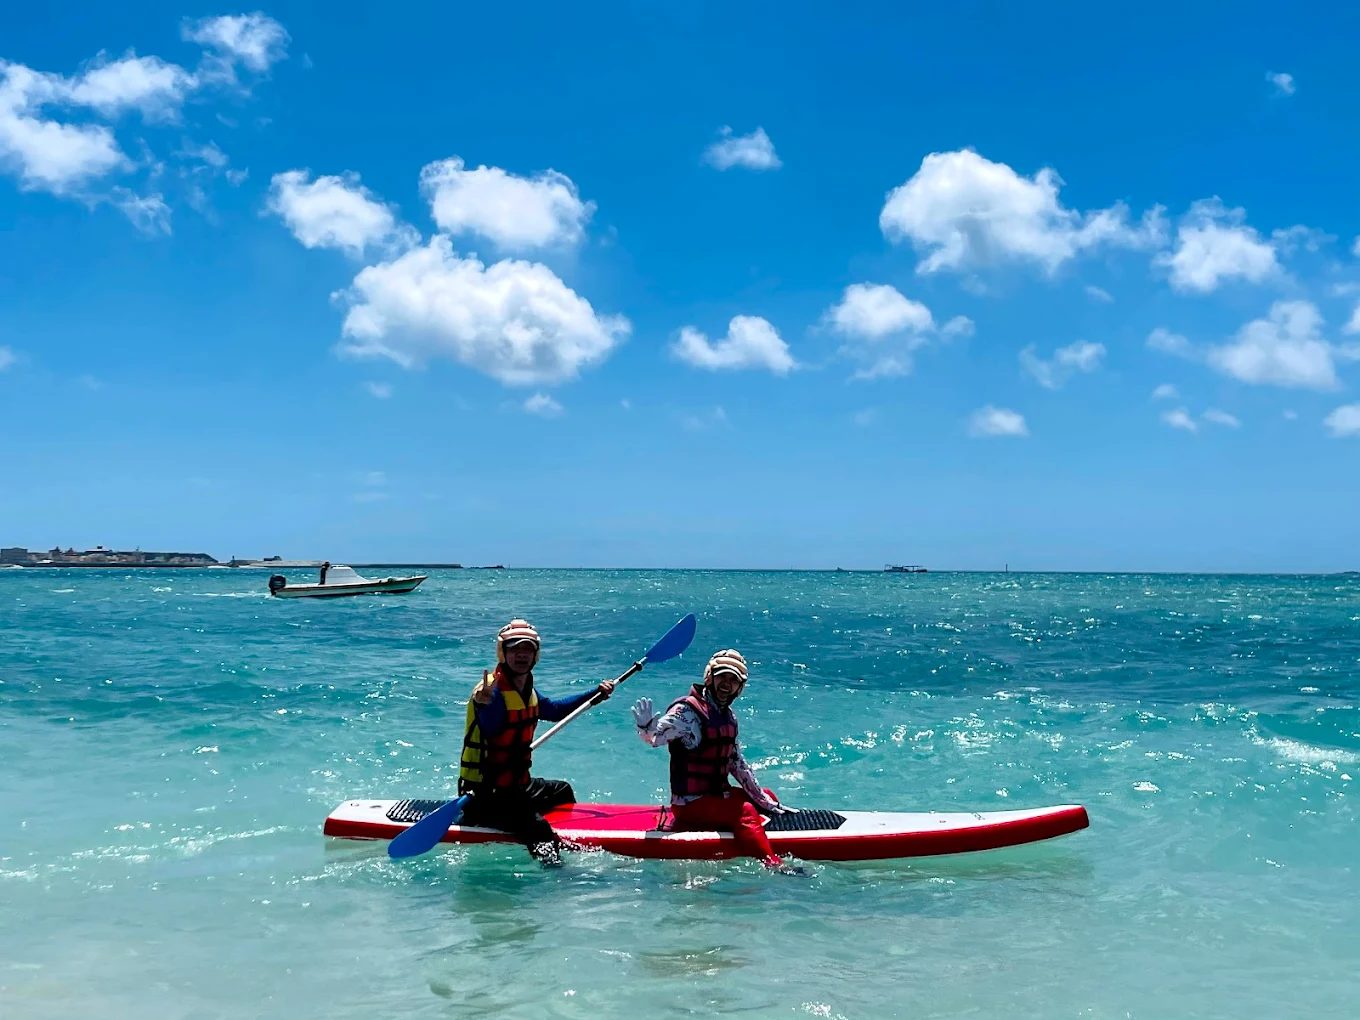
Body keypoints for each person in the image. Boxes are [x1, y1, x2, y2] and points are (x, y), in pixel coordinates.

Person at [457, 619, 616, 867]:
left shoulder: (525, 688)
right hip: (488, 794)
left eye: (528, 649)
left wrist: (594, 694)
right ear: (503, 653)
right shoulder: (491, 691)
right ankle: (557, 877)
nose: (521, 655)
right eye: (514, 649)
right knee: (539, 831)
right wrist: (483, 703)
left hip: (517, 787)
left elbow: (553, 710)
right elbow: (488, 726)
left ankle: (561, 836)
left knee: (561, 790)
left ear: (535, 655)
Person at [632, 648, 802, 873]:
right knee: (746, 812)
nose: (726, 684)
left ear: (739, 687)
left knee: (765, 796)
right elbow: (655, 738)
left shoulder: (728, 717)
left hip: (714, 797)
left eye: (733, 680)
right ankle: (773, 865)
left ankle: (764, 838)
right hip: (690, 803)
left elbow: (737, 765)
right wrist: (645, 726)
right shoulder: (687, 712)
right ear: (709, 677)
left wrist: (766, 802)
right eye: (722, 676)